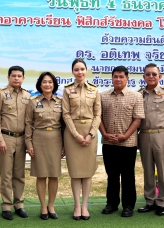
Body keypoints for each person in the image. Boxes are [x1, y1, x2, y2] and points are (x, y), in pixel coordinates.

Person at [99, 66, 144, 218]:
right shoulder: (102, 96)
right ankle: (111, 203)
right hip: (108, 143)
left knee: (127, 175)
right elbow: (97, 117)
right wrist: (104, 133)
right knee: (111, 175)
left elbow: (137, 119)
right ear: (112, 78)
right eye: (115, 76)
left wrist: (125, 136)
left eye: (121, 77)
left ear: (127, 79)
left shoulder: (136, 96)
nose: (118, 79)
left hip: (128, 143)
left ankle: (128, 205)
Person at [62, 59, 101, 221]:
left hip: (90, 133)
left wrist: (91, 134)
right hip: (73, 134)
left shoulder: (94, 90)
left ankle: (85, 205)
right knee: (75, 173)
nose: (80, 72)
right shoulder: (67, 90)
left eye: (82, 69)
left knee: (87, 173)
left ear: (86, 70)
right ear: (72, 72)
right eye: (76, 69)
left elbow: (98, 114)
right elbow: (65, 114)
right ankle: (76, 205)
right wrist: (76, 135)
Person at [137, 63, 164, 216]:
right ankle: (149, 201)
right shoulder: (139, 94)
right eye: (148, 74)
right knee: (147, 169)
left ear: (160, 76)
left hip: (161, 135)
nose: (151, 77)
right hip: (144, 135)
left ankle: (162, 202)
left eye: (154, 74)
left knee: (162, 170)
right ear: (144, 77)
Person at [0, 66, 30, 220]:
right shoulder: (0, 94)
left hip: (21, 138)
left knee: (19, 174)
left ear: (23, 78)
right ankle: (6, 206)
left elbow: (29, 120)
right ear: (8, 77)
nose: (16, 78)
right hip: (6, 138)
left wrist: (29, 141)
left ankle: (19, 204)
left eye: (19, 76)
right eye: (13, 75)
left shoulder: (27, 95)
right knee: (6, 174)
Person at [25, 72, 64, 220]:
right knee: (41, 175)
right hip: (39, 139)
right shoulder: (33, 101)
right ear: (40, 85)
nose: (47, 84)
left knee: (54, 175)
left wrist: (64, 145)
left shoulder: (60, 101)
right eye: (44, 82)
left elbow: (64, 124)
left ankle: (51, 205)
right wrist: (29, 144)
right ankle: (42, 206)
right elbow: (28, 123)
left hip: (56, 139)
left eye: (50, 82)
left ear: (54, 85)